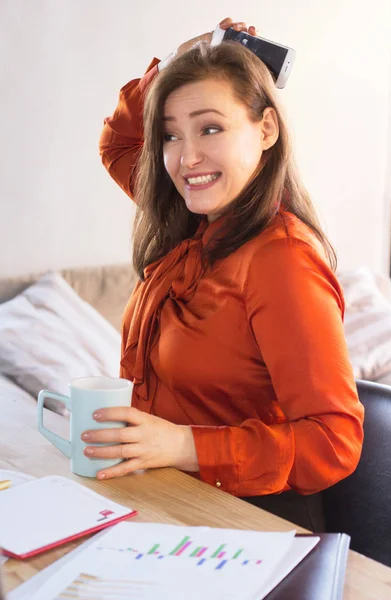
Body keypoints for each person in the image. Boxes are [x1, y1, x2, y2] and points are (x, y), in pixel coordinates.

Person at [88, 17, 364, 530]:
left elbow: (334, 441)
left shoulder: (282, 260)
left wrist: (180, 443)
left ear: (266, 129)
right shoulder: (188, 218)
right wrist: (177, 60)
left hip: (247, 524)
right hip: (165, 503)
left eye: (210, 128)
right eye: (171, 134)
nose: (186, 156)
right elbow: (117, 143)